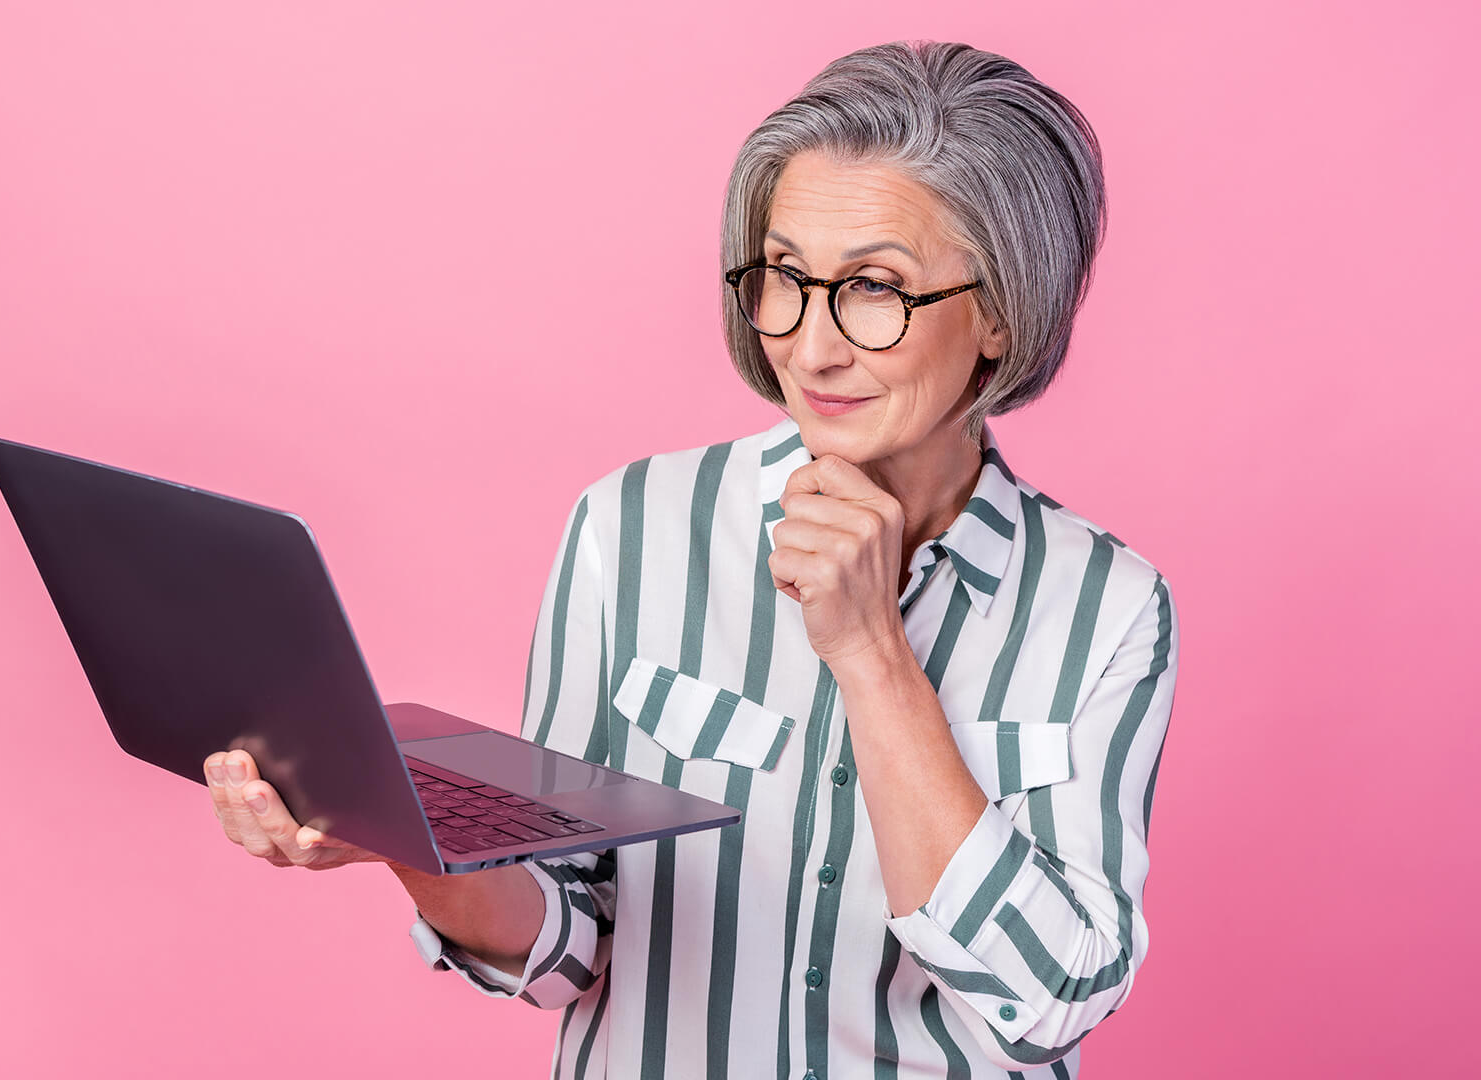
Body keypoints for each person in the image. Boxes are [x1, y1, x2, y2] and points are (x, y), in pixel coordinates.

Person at [203, 39, 1179, 1079]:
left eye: (876, 289)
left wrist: (871, 653)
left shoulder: (1104, 608)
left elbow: (1054, 1003)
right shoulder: (633, 527)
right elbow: (570, 944)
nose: (811, 347)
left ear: (998, 312)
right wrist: (405, 836)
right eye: (786, 277)